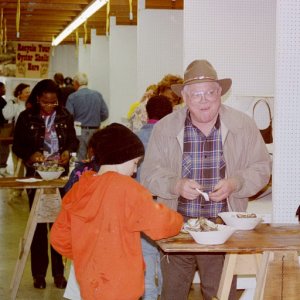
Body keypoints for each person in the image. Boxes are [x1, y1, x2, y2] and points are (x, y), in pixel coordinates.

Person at [140, 60, 272, 300]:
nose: (204, 100)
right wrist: (175, 185)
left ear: (220, 93)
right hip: (176, 227)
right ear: (185, 98)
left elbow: (262, 168)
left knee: (221, 294)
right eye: (196, 95)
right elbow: (148, 174)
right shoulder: (165, 128)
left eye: (210, 93)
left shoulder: (242, 125)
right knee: (173, 294)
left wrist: (236, 183)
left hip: (222, 228)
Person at [50, 123, 183, 300]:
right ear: (121, 158)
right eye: (135, 163)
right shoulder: (129, 189)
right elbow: (160, 224)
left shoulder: (79, 188)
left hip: (89, 282)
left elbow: (58, 237)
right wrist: (179, 220)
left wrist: (86, 255)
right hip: (122, 284)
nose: (135, 171)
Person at [12, 79, 79, 290]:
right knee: (39, 228)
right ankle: (39, 274)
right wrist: (31, 155)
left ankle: (59, 274)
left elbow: (72, 141)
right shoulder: (26, 117)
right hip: (37, 177)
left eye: (54, 102)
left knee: (59, 227)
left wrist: (68, 152)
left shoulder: (64, 116)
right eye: (45, 102)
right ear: (37, 99)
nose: (50, 106)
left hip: (59, 176)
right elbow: (17, 146)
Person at [136, 95, 173, 300]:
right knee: (167, 259)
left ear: (147, 112)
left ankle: (150, 295)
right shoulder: (173, 139)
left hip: (141, 209)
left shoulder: (135, 137)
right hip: (167, 207)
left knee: (147, 260)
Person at [66, 72, 109, 161]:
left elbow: (68, 116)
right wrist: (95, 119)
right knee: (95, 157)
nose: (73, 85)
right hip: (95, 131)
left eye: (73, 83)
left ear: (77, 83)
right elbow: (105, 114)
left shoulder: (72, 97)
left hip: (79, 131)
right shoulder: (97, 95)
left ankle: (80, 175)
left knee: (80, 158)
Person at [3, 83, 31, 196]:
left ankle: (30, 187)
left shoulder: (32, 104)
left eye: (29, 92)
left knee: (29, 164)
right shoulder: (13, 103)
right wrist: (15, 104)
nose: (28, 94)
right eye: (26, 92)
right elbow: (6, 115)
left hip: (29, 138)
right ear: (19, 93)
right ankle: (18, 189)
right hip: (17, 138)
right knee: (17, 165)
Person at [0, 82, 12, 177]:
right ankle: (2, 168)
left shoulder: (3, 100)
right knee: (3, 148)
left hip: (2, 126)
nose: (5, 90)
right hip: (2, 127)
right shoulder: (2, 101)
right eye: (3, 88)